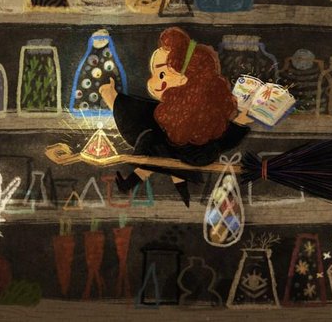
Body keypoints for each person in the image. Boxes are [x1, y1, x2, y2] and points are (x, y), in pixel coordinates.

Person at [99, 26, 253, 207]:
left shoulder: (188, 107)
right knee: (158, 150)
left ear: (183, 77)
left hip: (196, 154)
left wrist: (113, 99)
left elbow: (220, 137)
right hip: (187, 152)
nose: (152, 81)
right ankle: (175, 192)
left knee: (155, 146)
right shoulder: (180, 105)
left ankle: (139, 185)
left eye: (161, 74)